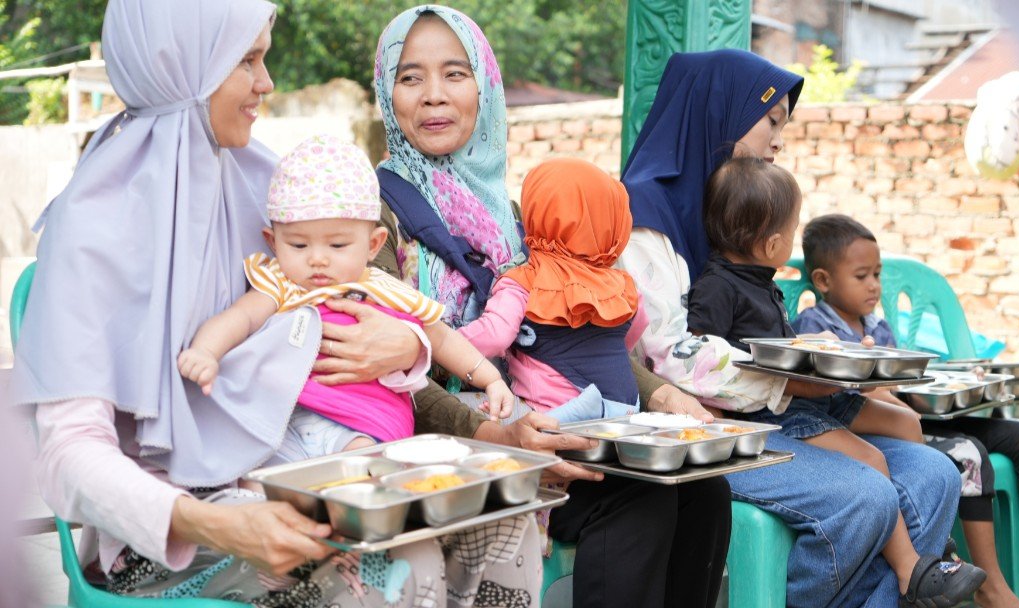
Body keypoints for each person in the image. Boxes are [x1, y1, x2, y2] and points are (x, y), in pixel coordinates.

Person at [10, 1, 552, 604]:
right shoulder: (90, 228)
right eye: (246, 60)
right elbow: (67, 457)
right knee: (398, 565)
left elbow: (358, 306)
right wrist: (215, 523)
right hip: (175, 529)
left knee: (509, 520)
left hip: (299, 475)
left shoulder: (266, 184)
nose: (266, 83)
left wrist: (414, 343)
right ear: (183, 66)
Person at [370, 6, 731, 607]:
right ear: (386, 89)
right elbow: (386, 363)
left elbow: (571, 331)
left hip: (536, 420)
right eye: (410, 77)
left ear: (484, 86)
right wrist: (496, 433)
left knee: (700, 487)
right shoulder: (374, 214)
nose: (434, 95)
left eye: (455, 74)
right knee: (637, 497)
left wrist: (660, 393)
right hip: (440, 439)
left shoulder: (512, 218)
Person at [616, 48, 962, 607]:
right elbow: (667, 355)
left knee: (934, 473)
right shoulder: (644, 216)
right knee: (863, 498)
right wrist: (788, 377)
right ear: (721, 112)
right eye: (771, 120)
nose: (779, 140)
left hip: (775, 414)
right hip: (703, 429)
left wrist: (810, 361)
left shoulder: (725, 209)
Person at [687, 163, 984, 605]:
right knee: (869, 465)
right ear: (771, 242)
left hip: (802, 402)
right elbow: (705, 356)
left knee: (912, 433)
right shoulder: (718, 288)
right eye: (791, 231)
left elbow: (775, 346)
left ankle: (925, 554)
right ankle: (910, 566)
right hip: (773, 415)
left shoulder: (760, 282)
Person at [793, 213, 1019, 608]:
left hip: (913, 417)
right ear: (823, 281)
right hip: (875, 432)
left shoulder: (874, 325)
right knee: (968, 455)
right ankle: (990, 585)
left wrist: (958, 380)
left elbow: (904, 382)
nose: (874, 286)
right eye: (862, 276)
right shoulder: (816, 329)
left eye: (877, 274)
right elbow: (843, 395)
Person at [178, 134, 513, 459]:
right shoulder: (280, 284)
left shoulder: (384, 288)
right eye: (298, 245)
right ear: (272, 241)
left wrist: (490, 378)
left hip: (363, 421)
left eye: (337, 245)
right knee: (250, 466)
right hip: (287, 419)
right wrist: (206, 351)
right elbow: (239, 318)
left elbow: (440, 337)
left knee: (361, 465)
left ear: (373, 244)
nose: (318, 259)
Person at [458, 157, 644, 422]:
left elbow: (495, 336)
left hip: (555, 414)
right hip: (625, 409)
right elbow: (632, 332)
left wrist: (441, 342)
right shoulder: (622, 286)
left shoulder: (524, 282)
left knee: (458, 410)